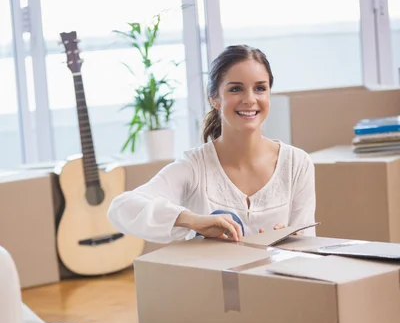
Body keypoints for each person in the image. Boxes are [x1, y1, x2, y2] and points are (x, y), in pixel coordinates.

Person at [108, 45, 316, 244]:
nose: (250, 99)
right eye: (236, 89)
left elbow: (308, 245)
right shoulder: (195, 166)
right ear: (215, 99)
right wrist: (192, 220)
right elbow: (121, 208)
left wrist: (289, 245)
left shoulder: (297, 164)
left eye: (260, 88)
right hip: (211, 281)